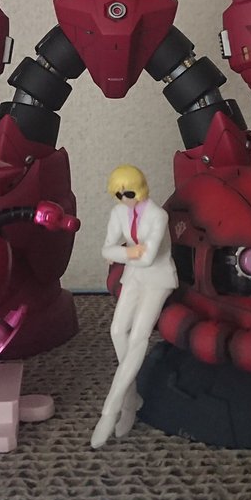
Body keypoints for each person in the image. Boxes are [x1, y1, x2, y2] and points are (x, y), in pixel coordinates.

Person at [91, 165, 178, 448]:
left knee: (139, 335)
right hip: (134, 277)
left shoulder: (158, 216)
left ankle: (111, 410)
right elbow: (106, 249)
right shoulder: (118, 213)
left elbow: (149, 258)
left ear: (140, 189)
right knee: (117, 330)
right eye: (118, 194)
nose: (124, 199)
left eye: (128, 193)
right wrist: (130, 252)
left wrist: (121, 253)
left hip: (158, 279)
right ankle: (132, 399)